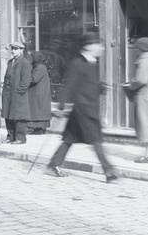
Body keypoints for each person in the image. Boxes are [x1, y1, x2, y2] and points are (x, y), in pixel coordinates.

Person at [45, 32, 119, 183]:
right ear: (88, 47)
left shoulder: (91, 63)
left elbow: (86, 85)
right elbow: (69, 86)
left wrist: (101, 87)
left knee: (70, 139)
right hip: (83, 111)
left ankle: (54, 163)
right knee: (96, 140)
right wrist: (60, 106)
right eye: (97, 45)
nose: (101, 48)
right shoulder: (77, 64)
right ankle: (109, 171)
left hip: (88, 108)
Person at [127, 37, 148, 164]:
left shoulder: (144, 61)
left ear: (141, 48)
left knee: (145, 125)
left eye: (136, 47)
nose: (135, 50)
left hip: (145, 98)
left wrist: (130, 85)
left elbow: (141, 80)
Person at [1, 41, 32, 145]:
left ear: (21, 50)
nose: (13, 51)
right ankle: (10, 136)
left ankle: (20, 138)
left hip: (18, 95)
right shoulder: (10, 62)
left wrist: (20, 91)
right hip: (8, 93)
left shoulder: (25, 63)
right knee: (8, 114)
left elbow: (26, 80)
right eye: (12, 49)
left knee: (19, 117)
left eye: (15, 49)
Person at [27, 51, 52, 135]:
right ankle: (38, 128)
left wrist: (24, 80)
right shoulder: (38, 67)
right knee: (37, 111)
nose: (31, 59)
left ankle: (40, 129)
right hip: (38, 93)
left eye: (32, 57)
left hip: (39, 94)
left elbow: (34, 79)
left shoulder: (40, 67)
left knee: (38, 111)